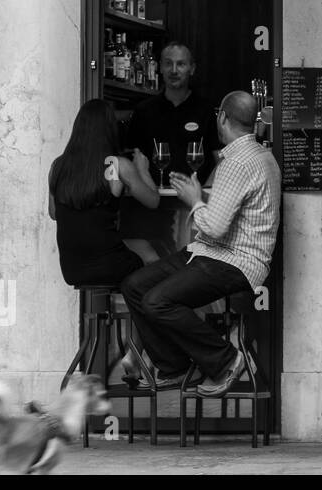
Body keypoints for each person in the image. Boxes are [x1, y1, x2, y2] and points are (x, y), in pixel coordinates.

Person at [121, 91, 280, 396]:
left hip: (235, 261)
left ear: (221, 117)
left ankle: (224, 360)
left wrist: (194, 200)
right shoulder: (263, 156)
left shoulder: (236, 163)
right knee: (135, 285)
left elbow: (216, 228)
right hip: (210, 253)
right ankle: (173, 366)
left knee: (157, 301)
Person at [48, 99, 160, 287]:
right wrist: (143, 169)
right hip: (110, 264)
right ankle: (147, 312)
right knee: (151, 254)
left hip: (72, 269)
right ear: (110, 129)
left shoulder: (58, 166)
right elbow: (153, 200)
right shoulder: (116, 164)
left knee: (139, 246)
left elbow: (53, 213)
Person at [129, 41, 221, 184]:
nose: (174, 70)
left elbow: (221, 161)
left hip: (195, 201)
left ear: (192, 69)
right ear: (160, 67)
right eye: (168, 63)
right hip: (154, 201)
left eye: (181, 64)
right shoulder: (143, 111)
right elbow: (133, 160)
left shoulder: (206, 110)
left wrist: (203, 196)